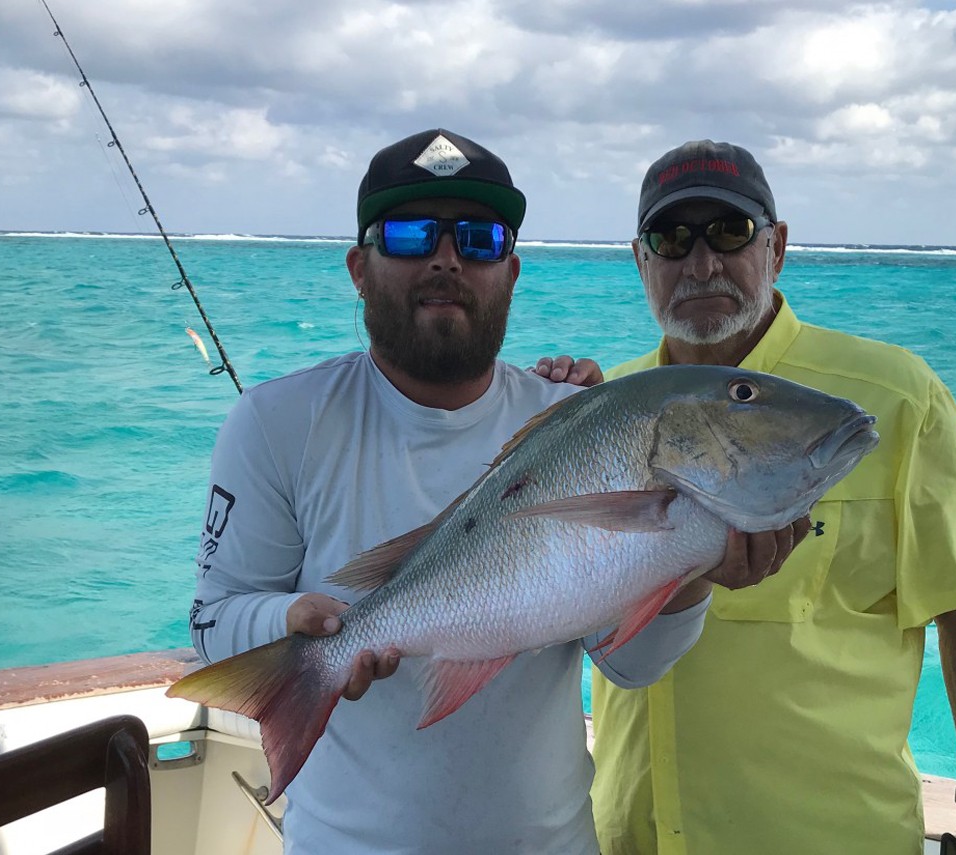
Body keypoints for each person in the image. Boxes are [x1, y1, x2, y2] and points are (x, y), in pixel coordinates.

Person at [184, 128, 797, 855]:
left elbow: (631, 664)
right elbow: (211, 620)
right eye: (411, 234)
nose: (447, 257)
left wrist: (694, 568)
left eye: (479, 238)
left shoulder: (570, 416)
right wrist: (293, 621)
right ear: (358, 266)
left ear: (509, 271)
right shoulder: (275, 423)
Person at [576, 140, 956, 855]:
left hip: (827, 834)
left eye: (728, 231)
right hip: (629, 832)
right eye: (670, 238)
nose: (700, 263)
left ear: (776, 246)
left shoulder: (894, 399)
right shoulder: (604, 410)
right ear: (640, 260)